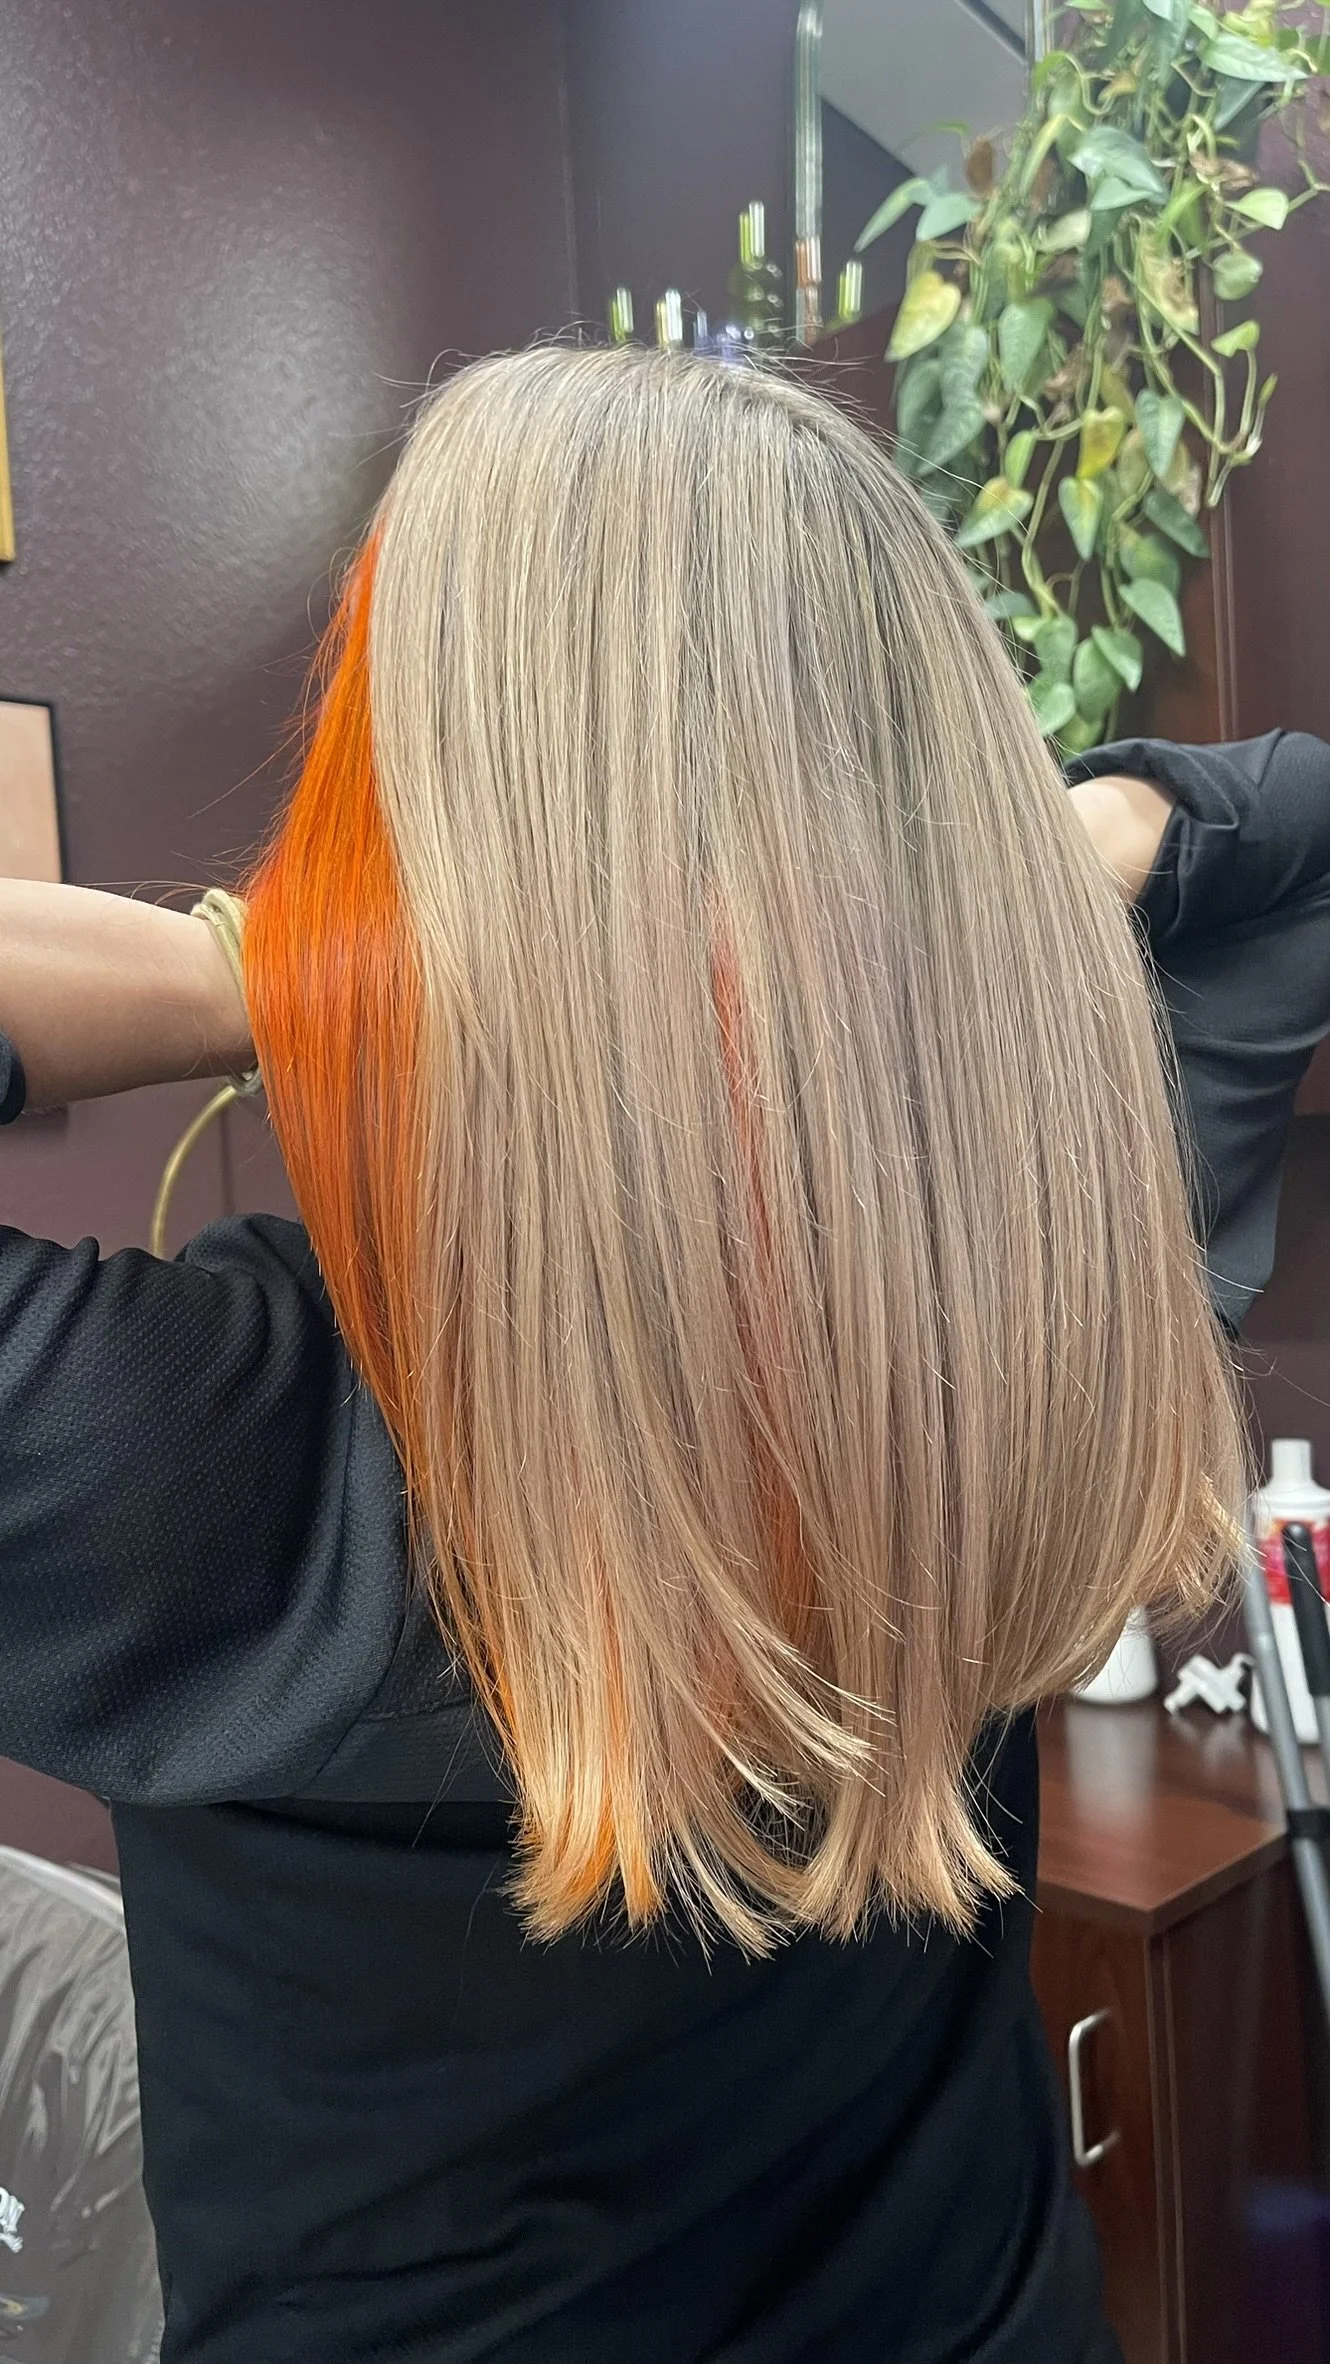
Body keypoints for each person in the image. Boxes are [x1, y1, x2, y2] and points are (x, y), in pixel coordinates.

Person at [0, 343, 1314, 2364]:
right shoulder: (1003, 1320)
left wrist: (255, 967)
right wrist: (976, 875)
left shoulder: (184, 1447)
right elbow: (1291, 831)